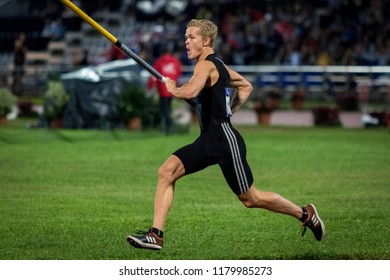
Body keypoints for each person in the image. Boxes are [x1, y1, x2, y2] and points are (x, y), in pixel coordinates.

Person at [127, 19, 325, 250]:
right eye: (185, 37)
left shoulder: (206, 65)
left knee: (251, 199)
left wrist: (174, 90)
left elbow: (190, 90)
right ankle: (156, 235)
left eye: (191, 37)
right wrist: (226, 110)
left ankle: (305, 214)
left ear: (206, 40)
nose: (186, 42)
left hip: (224, 141)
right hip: (208, 139)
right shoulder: (218, 65)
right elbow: (245, 86)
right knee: (166, 171)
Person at [146, 45, 182, 134]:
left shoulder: (159, 62)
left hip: (162, 90)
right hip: (172, 89)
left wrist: (149, 87)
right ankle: (169, 127)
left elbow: (153, 75)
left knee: (164, 110)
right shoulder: (175, 61)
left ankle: (169, 127)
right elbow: (179, 72)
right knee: (168, 109)